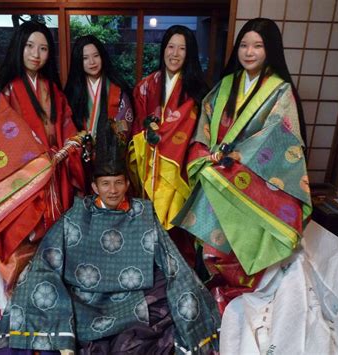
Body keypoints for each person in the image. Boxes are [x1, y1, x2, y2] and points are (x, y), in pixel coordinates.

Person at [0, 130, 221, 355]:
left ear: (127, 185)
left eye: (119, 183)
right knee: (36, 283)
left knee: (173, 288)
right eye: (106, 184)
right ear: (94, 187)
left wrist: (186, 289)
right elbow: (48, 258)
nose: (112, 190)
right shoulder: (77, 215)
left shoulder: (142, 213)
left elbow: (172, 260)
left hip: (134, 294)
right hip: (87, 298)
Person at [173, 18, 312, 313]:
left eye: (258, 46)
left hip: (250, 179)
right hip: (216, 175)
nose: (249, 52)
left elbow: (279, 135)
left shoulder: (279, 90)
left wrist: (235, 159)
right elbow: (203, 129)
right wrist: (206, 156)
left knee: (243, 242)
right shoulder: (225, 86)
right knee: (212, 244)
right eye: (244, 45)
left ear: (270, 50)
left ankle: (241, 298)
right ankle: (213, 296)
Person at [0, 21, 85, 292]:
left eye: (43, 48)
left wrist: (70, 145)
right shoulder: (7, 90)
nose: (36, 54)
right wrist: (36, 159)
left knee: (56, 226)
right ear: (19, 47)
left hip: (55, 168)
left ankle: (55, 270)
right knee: (27, 228)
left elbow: (66, 123)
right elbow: (1, 135)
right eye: (30, 46)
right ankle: (25, 273)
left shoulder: (53, 90)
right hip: (26, 171)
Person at [128, 25, 210, 266]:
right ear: (163, 49)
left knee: (178, 227)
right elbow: (137, 130)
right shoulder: (145, 86)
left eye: (182, 49)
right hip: (148, 169)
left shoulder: (197, 92)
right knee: (146, 227)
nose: (175, 54)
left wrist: (164, 137)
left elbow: (201, 134)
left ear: (190, 53)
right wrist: (146, 134)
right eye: (170, 47)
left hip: (180, 168)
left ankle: (179, 276)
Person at [64, 35, 133, 193]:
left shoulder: (117, 90)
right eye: (85, 58)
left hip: (109, 161)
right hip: (81, 159)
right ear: (78, 62)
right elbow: (66, 125)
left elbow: (124, 123)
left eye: (96, 56)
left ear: (103, 56)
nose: (92, 62)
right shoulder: (71, 92)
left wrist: (108, 144)